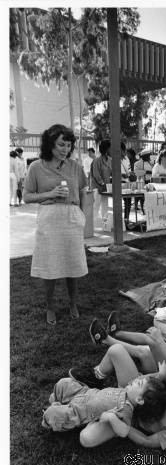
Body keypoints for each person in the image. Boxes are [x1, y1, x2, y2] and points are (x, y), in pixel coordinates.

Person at [72, 327, 166, 449]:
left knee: (86, 439)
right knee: (116, 350)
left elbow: (146, 440)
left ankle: (93, 408)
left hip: (129, 418)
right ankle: (97, 377)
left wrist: (118, 422)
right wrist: (159, 375)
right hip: (135, 393)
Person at [23, 124, 88, 325]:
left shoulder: (75, 166)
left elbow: (83, 191)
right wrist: (50, 194)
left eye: (68, 145)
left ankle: (73, 303)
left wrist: (81, 215)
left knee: (73, 264)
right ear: (50, 144)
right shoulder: (36, 167)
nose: (65, 149)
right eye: (61, 144)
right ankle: (50, 306)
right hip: (49, 220)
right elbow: (26, 196)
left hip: (71, 218)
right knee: (50, 265)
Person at [42, 350, 166, 438]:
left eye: (139, 384)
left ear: (139, 399)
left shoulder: (126, 408)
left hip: (80, 412)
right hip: (86, 392)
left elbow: (124, 431)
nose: (137, 380)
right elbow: (146, 383)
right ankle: (57, 400)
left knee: (54, 413)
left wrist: (111, 418)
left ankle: (49, 418)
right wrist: (160, 376)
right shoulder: (129, 391)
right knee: (64, 383)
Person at [90, 139, 112, 228]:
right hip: (97, 188)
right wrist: (102, 184)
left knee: (105, 207)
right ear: (106, 149)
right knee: (96, 206)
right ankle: (91, 226)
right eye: (111, 148)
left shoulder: (109, 160)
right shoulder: (96, 161)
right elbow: (96, 175)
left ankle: (105, 225)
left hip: (106, 188)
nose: (112, 150)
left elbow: (111, 173)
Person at [134, 149, 153, 215]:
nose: (149, 157)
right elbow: (136, 172)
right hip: (141, 182)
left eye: (149, 155)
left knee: (145, 197)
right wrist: (146, 172)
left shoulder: (150, 162)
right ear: (143, 156)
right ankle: (138, 208)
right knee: (140, 196)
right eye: (148, 156)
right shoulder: (137, 163)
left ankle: (144, 209)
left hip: (149, 181)